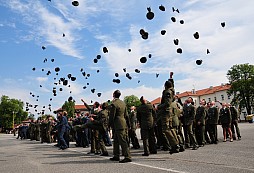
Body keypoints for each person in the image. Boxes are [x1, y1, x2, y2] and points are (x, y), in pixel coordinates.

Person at [157, 73, 180, 154]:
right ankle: (177, 143)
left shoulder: (167, 92)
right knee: (170, 128)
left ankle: (174, 145)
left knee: (166, 129)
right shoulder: (172, 90)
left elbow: (167, 103)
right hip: (169, 112)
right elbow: (172, 86)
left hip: (166, 112)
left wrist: (159, 106)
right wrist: (171, 78)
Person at [108, 90, 132, 163]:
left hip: (117, 124)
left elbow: (112, 116)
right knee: (116, 140)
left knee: (122, 140)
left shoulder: (114, 104)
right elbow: (126, 115)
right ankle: (116, 155)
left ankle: (127, 156)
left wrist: (109, 125)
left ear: (114, 95)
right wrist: (129, 124)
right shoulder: (123, 103)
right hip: (123, 122)